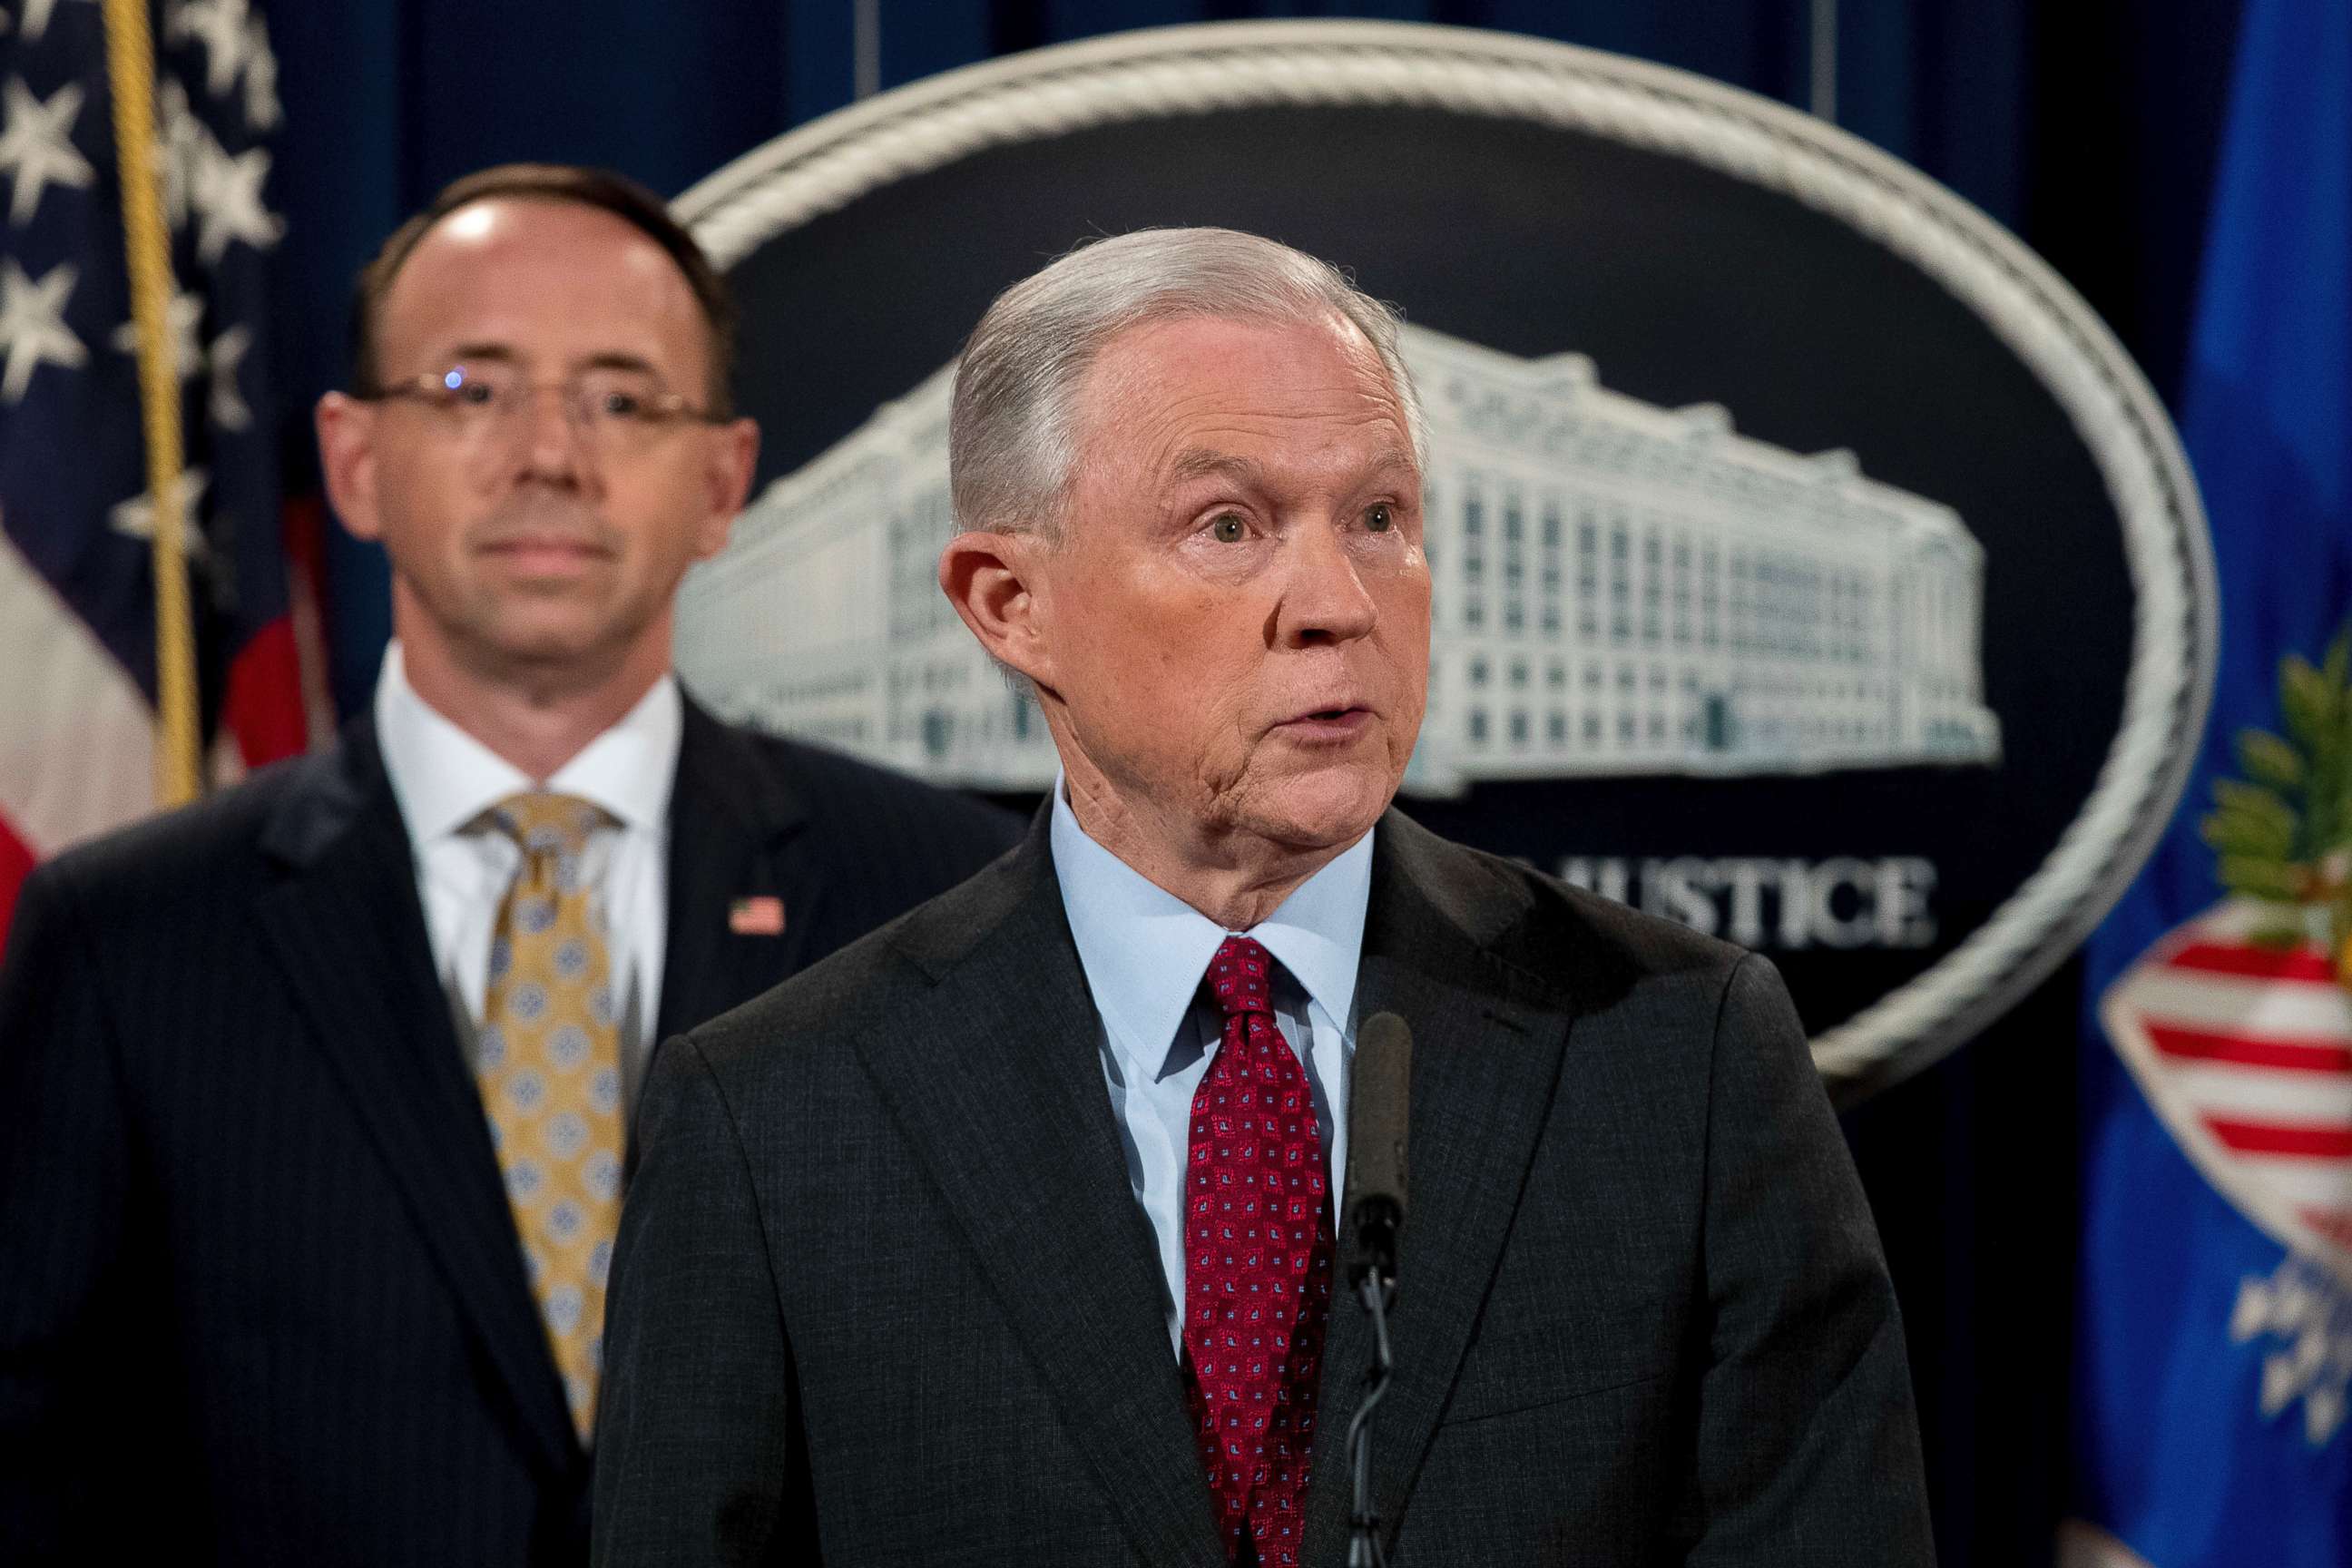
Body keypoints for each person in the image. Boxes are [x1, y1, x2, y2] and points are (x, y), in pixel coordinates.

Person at [593, 227, 1935, 1564]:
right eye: (1228, 525)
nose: (1338, 603)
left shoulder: (1678, 1052)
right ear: (1009, 604)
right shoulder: (774, 1118)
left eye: (1379, 518)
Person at [0, 163, 1020, 1565]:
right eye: (474, 389)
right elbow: (33, 1482)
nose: (550, 454)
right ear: (354, 461)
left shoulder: (948, 896)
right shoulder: (125, 939)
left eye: (621, 396)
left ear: (723, 481)